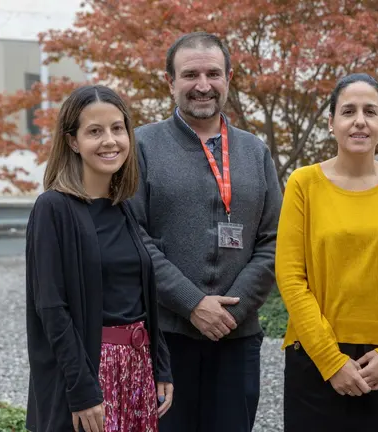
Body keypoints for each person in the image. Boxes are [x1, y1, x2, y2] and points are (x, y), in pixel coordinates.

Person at [128, 32, 282, 432]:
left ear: (228, 78)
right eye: (190, 74)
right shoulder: (142, 146)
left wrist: (230, 311)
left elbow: (274, 239)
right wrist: (193, 303)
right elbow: (134, 236)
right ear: (170, 81)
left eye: (213, 73)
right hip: (164, 339)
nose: (202, 85)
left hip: (237, 335)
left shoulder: (254, 152)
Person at [275, 73, 378, 432]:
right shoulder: (303, 185)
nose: (360, 120)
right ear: (331, 123)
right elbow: (290, 275)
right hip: (316, 360)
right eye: (348, 111)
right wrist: (331, 360)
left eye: (370, 111)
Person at [25, 84, 172, 432]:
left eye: (118, 128)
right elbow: (51, 308)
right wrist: (82, 388)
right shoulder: (53, 209)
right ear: (73, 141)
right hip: (90, 373)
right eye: (95, 131)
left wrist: (160, 365)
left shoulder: (123, 207)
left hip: (136, 369)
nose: (110, 141)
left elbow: (143, 297)